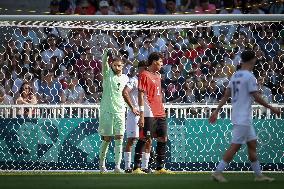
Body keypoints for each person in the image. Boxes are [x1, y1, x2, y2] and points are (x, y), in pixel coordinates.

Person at [209, 50, 280, 182]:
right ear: (252, 60)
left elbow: (226, 95)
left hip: (241, 116)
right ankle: (217, 172)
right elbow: (256, 96)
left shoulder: (235, 75)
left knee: (252, 145)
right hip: (243, 118)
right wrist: (272, 108)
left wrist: (216, 110)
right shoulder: (249, 76)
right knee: (235, 146)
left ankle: (258, 175)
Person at [133, 52, 174, 174]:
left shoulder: (158, 75)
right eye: (160, 62)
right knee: (145, 137)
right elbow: (141, 95)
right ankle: (137, 167)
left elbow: (158, 94)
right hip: (148, 111)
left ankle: (160, 167)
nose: (162, 65)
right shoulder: (144, 75)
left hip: (160, 112)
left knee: (163, 138)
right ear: (154, 62)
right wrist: (141, 114)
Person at [98, 48, 129, 173]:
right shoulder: (107, 74)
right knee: (106, 139)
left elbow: (125, 94)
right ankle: (101, 165)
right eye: (115, 65)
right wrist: (107, 54)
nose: (117, 67)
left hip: (120, 111)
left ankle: (117, 166)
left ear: (123, 66)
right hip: (107, 111)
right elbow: (104, 62)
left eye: (119, 65)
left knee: (120, 138)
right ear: (111, 65)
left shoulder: (125, 78)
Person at [122, 61, 152, 173]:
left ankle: (144, 166)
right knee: (132, 139)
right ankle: (127, 167)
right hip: (135, 114)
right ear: (139, 69)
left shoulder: (147, 81)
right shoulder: (134, 80)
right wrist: (132, 108)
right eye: (144, 69)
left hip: (147, 114)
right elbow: (125, 92)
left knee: (147, 139)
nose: (146, 71)